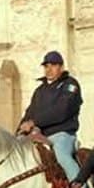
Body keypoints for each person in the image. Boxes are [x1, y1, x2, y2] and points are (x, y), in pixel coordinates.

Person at [17, 51, 83, 180]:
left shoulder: (70, 85)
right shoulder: (40, 91)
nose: (49, 69)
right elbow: (29, 113)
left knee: (62, 156)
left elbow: (61, 111)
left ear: (61, 67)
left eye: (53, 65)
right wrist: (18, 131)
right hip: (39, 136)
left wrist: (34, 122)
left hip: (62, 134)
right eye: (46, 66)